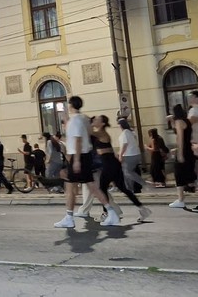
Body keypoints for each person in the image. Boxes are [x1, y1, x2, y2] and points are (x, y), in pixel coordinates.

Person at [54, 96, 120, 228]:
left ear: (71, 105)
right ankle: (111, 213)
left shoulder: (76, 121)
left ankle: (69, 218)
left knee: (71, 188)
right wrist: (67, 120)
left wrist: (76, 160)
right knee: (91, 187)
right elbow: (88, 133)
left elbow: (77, 139)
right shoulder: (83, 118)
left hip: (78, 156)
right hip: (85, 155)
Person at [92, 115, 151, 223]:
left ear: (103, 123)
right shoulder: (100, 133)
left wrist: (87, 122)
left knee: (102, 189)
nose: (95, 121)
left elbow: (88, 132)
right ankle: (143, 209)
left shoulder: (101, 133)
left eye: (97, 120)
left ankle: (108, 214)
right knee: (123, 188)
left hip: (109, 164)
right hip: (112, 163)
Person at [169, 104, 197, 208]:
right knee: (190, 175)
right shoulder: (187, 121)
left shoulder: (178, 122)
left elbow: (179, 138)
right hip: (189, 150)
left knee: (179, 174)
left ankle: (181, 200)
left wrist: (179, 153)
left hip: (183, 151)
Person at [117, 119, 145, 192]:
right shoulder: (131, 132)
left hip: (129, 154)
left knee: (127, 172)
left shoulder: (125, 133)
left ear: (121, 125)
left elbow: (124, 145)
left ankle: (132, 187)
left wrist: (120, 154)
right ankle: (136, 187)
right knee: (134, 171)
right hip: (135, 153)